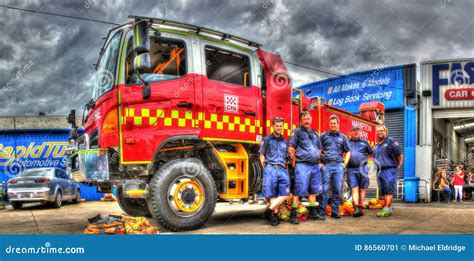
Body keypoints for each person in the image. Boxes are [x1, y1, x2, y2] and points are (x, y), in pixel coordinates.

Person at [289, 111, 324, 224]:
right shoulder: (297, 132)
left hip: (314, 166)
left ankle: (313, 213)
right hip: (302, 165)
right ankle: (293, 214)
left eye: (308, 118)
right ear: (301, 120)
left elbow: (319, 148)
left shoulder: (314, 132)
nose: (307, 120)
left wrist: (317, 157)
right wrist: (295, 162)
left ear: (311, 119)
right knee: (298, 190)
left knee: (313, 190)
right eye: (304, 119)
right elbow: (291, 148)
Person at [259, 117, 291, 226]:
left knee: (285, 193)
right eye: (277, 126)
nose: (279, 128)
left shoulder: (285, 141)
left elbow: (287, 157)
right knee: (272, 194)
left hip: (282, 169)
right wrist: (265, 167)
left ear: (283, 127)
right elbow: (262, 154)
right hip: (270, 168)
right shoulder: (267, 139)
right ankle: (275, 216)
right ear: (273, 126)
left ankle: (270, 209)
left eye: (280, 126)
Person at [318, 115, 351, 219]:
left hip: (338, 166)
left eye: (334, 123)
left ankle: (335, 212)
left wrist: (344, 164)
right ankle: (321, 212)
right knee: (325, 189)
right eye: (331, 123)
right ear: (329, 124)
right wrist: (319, 161)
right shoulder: (323, 136)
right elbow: (318, 149)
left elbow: (348, 151)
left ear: (338, 125)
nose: (333, 125)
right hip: (326, 165)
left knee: (337, 189)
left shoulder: (343, 137)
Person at [373, 125, 403, 217]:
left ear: (386, 131)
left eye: (381, 130)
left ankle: (386, 208)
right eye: (377, 131)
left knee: (389, 189)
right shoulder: (377, 145)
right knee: (385, 191)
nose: (379, 132)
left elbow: (400, 156)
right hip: (380, 171)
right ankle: (387, 208)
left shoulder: (391, 141)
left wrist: (397, 167)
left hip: (390, 169)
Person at [346, 124, 373, 217]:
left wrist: (367, 163)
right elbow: (342, 152)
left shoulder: (365, 142)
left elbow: (371, 154)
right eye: (353, 130)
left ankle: (360, 207)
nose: (356, 132)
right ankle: (356, 208)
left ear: (360, 131)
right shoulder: (347, 142)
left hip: (363, 169)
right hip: (351, 169)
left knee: (362, 189)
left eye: (357, 130)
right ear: (351, 132)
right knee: (354, 188)